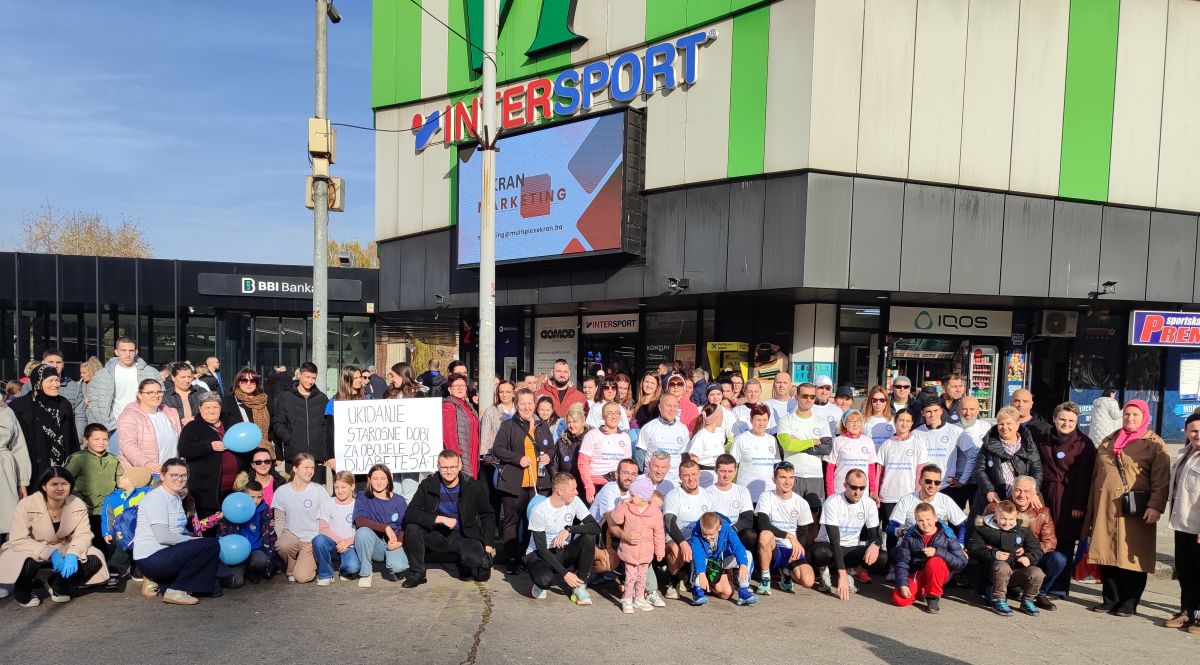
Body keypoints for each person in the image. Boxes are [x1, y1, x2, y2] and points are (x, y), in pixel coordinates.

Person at [1083, 399, 1170, 616]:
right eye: (1127, 414)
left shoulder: (1153, 443)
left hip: (1135, 510)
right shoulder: (1109, 440)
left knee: (1133, 556)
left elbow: (1161, 480)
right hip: (1106, 507)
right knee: (1107, 553)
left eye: (1135, 415)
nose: (1130, 418)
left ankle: (1129, 603)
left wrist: (1155, 506)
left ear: (1144, 417)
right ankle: (1110, 599)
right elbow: (1095, 475)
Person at [0, 467, 108, 606]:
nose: (60, 488)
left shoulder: (77, 503)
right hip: (29, 548)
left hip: (62, 546)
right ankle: (22, 589)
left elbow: (83, 534)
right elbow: (18, 539)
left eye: (65, 484)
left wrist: (73, 553)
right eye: (54, 484)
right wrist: (50, 553)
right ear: (44, 486)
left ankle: (58, 584)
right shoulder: (27, 504)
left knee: (95, 557)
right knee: (27, 563)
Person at [132, 458, 222, 605]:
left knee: (216, 588)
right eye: (174, 475)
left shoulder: (175, 497)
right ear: (162, 476)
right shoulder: (156, 498)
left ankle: (162, 582)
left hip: (168, 552)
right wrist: (192, 540)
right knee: (210, 545)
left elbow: (179, 531)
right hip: (152, 558)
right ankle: (176, 589)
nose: (179, 479)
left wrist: (192, 538)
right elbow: (163, 537)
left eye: (183, 475)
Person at [402, 450, 495, 588]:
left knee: (477, 564)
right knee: (412, 528)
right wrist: (439, 519)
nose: (449, 471)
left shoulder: (473, 486)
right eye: (445, 467)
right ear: (438, 467)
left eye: (453, 467)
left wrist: (488, 544)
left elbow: (487, 515)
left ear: (460, 466)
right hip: (436, 533)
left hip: (465, 535)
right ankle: (418, 572)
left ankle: (464, 565)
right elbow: (410, 513)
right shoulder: (428, 484)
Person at [1033, 401, 1096, 599]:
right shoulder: (1042, 438)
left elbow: (1085, 477)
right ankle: (1036, 583)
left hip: (1069, 500)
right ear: (1054, 418)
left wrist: (1079, 504)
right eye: (1062, 419)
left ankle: (1058, 588)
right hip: (1044, 496)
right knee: (1041, 539)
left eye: (1071, 421)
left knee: (1064, 543)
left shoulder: (1084, 444)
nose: (1066, 424)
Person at [492, 387, 556, 574]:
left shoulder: (542, 425)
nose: (527, 407)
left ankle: (528, 558)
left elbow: (551, 448)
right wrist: (517, 458)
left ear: (534, 404)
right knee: (511, 522)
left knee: (534, 522)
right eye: (523, 404)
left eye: (530, 403)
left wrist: (548, 456)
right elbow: (497, 449)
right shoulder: (508, 426)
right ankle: (512, 559)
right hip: (515, 483)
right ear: (516, 405)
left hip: (539, 483)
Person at [985, 476, 1063, 611]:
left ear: (1034, 493)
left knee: (1058, 559)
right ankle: (1002, 590)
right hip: (1002, 559)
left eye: (1026, 491)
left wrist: (1029, 554)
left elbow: (1050, 542)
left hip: (1030, 557)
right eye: (1018, 490)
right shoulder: (996, 508)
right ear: (1011, 491)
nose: (1021, 495)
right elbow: (984, 539)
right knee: (991, 599)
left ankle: (1038, 594)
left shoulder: (1043, 512)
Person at [809, 469, 889, 599]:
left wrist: (875, 544)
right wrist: (841, 577)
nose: (858, 492)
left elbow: (874, 535)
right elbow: (834, 540)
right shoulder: (832, 502)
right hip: (830, 546)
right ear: (845, 485)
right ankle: (825, 572)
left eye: (862, 488)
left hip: (851, 548)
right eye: (853, 487)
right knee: (819, 552)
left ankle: (850, 572)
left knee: (882, 557)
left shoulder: (869, 504)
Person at [525, 472, 600, 605]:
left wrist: (569, 529)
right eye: (573, 489)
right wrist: (565, 574)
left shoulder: (575, 501)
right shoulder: (539, 510)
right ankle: (539, 583)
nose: (576, 492)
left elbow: (596, 528)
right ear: (560, 491)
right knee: (545, 581)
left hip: (561, 550)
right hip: (539, 555)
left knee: (589, 536)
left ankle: (580, 585)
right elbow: (542, 549)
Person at [63, 424, 123, 580]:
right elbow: (65, 481)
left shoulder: (113, 460)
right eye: (96, 439)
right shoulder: (78, 459)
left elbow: (121, 482)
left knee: (109, 544)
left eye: (105, 439)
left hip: (107, 512)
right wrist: (79, 499)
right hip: (87, 513)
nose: (102, 442)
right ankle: (90, 575)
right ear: (86, 440)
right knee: (91, 545)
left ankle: (110, 573)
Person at [970, 499, 1046, 617]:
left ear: (1016, 516)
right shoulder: (983, 528)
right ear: (995, 516)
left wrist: (1029, 557)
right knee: (1002, 566)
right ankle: (999, 599)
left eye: (1011, 519)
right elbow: (974, 548)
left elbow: (1036, 548)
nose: (1007, 523)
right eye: (1003, 519)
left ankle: (1028, 600)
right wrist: (994, 554)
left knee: (1037, 573)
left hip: (1015, 570)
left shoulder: (1023, 529)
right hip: (992, 572)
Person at [178, 392, 247, 521]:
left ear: (220, 408)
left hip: (234, 486)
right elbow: (184, 450)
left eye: (215, 407)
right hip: (207, 490)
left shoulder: (230, 424)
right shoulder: (193, 427)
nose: (211, 411)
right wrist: (209, 446)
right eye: (207, 407)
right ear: (200, 409)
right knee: (210, 524)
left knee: (232, 523)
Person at [87, 337, 161, 455]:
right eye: (123, 350)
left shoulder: (151, 372)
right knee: (117, 461)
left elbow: (160, 397)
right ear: (116, 352)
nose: (128, 354)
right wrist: (108, 424)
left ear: (136, 352)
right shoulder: (102, 375)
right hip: (114, 427)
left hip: (145, 425)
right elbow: (94, 402)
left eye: (131, 350)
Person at [10, 364, 79, 488]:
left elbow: (72, 440)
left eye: (57, 380)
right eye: (50, 381)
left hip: (61, 470)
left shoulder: (64, 404)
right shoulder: (21, 406)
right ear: (38, 382)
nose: (55, 384)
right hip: (32, 471)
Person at [891, 502, 968, 613]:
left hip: (940, 572)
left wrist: (937, 552)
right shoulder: (910, 536)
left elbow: (961, 563)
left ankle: (933, 597)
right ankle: (922, 590)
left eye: (928, 519)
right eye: (920, 520)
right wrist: (903, 584)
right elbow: (902, 562)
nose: (925, 523)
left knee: (935, 561)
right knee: (899, 599)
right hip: (919, 572)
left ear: (936, 518)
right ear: (916, 521)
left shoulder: (948, 535)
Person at [753, 460, 816, 595]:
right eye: (783, 477)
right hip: (773, 548)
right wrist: (789, 536)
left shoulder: (801, 503)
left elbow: (803, 533)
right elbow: (763, 524)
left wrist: (797, 549)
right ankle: (765, 578)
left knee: (808, 581)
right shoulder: (766, 496)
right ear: (774, 480)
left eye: (791, 477)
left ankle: (786, 571)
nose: (788, 482)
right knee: (765, 534)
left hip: (792, 549)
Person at [776, 382, 833, 529]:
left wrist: (799, 444)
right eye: (804, 396)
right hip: (792, 475)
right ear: (797, 397)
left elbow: (827, 448)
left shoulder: (821, 422)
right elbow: (787, 445)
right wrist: (812, 441)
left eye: (812, 397)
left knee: (813, 519)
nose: (808, 400)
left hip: (815, 475)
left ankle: (809, 545)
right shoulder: (785, 420)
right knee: (791, 518)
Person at [1165, 412, 1200, 633]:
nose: (1198, 435)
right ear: (1186, 432)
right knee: (1186, 571)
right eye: (1193, 430)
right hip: (1182, 523)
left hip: (1198, 526)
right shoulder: (1185, 453)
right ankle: (1186, 611)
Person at [273, 453, 331, 584]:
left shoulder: (319, 490)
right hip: (291, 536)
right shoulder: (282, 491)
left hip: (311, 540)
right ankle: (290, 569)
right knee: (282, 545)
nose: (310, 471)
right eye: (306, 467)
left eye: (312, 468)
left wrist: (317, 542)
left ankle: (309, 562)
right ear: (294, 468)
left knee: (302, 577)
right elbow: (279, 521)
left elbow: (327, 518)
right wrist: (278, 541)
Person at [884, 465, 967, 557]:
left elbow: (962, 526)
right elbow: (890, 528)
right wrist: (902, 531)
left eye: (937, 482)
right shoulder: (906, 500)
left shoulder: (945, 500)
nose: (932, 485)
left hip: (937, 549)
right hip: (911, 548)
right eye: (928, 481)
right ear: (920, 481)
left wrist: (959, 547)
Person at [609, 476, 665, 613]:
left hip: (646, 551)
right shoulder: (628, 507)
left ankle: (639, 598)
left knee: (642, 577)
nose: (630, 497)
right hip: (630, 550)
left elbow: (659, 533)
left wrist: (660, 550)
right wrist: (622, 506)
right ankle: (627, 598)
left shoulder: (655, 513)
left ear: (643, 498)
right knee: (631, 577)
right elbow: (616, 519)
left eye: (633, 495)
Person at [271, 362, 331, 485]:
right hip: (294, 455)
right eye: (307, 377)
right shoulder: (285, 397)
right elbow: (278, 423)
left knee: (315, 492)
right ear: (299, 375)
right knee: (294, 491)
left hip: (316, 457)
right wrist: (290, 438)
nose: (310, 381)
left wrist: (325, 452)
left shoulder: (322, 398)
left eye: (313, 378)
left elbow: (326, 426)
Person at [974, 406, 1042, 514]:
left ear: (1017, 424)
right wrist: (989, 490)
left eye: (1009, 423)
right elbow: (979, 469)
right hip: (996, 498)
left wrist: (1034, 492)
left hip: (1022, 498)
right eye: (1001, 424)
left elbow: (1037, 470)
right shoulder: (988, 444)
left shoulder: (1029, 444)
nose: (1004, 427)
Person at [351, 464, 408, 586]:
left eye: (383, 478)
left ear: (389, 480)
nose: (379, 482)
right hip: (374, 545)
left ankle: (393, 565)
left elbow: (405, 525)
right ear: (369, 479)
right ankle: (366, 572)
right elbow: (359, 520)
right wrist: (385, 528)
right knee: (362, 532)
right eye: (375, 478)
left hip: (393, 543)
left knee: (398, 567)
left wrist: (400, 542)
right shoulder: (362, 496)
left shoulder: (399, 500)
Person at [687, 511, 757, 606]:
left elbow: (737, 546)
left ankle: (743, 591)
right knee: (695, 557)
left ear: (719, 528)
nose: (708, 538)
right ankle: (697, 591)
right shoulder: (697, 531)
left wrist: (743, 564)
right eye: (704, 534)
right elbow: (698, 553)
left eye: (711, 535)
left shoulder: (726, 528)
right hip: (705, 561)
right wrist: (701, 572)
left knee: (747, 555)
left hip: (720, 561)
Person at [877, 410, 927, 541]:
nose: (904, 424)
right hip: (888, 496)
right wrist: (876, 493)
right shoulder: (886, 444)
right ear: (895, 422)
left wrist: (919, 494)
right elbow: (879, 473)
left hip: (909, 495)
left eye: (908, 421)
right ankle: (888, 554)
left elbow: (920, 473)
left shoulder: (918, 444)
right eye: (901, 420)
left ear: (912, 423)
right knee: (890, 533)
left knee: (909, 533)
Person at [115, 378, 182, 476]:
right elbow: (127, 444)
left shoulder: (171, 413)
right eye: (150, 392)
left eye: (159, 392)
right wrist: (146, 463)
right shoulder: (129, 416)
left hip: (171, 473)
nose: (156, 395)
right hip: (145, 474)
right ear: (140, 395)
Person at [216, 480, 274, 587]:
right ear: (244, 496)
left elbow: (269, 534)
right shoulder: (234, 509)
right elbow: (223, 534)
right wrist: (224, 519)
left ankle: (252, 572)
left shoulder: (264, 511)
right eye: (252, 497)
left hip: (256, 549)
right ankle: (241, 571)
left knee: (261, 561)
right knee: (235, 583)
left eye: (259, 497)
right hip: (237, 552)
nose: (256, 501)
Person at [663, 459, 707, 599]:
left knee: (724, 591)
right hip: (677, 540)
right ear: (680, 476)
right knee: (675, 548)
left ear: (699, 474)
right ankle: (673, 582)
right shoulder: (673, 495)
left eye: (694, 474)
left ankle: (688, 575)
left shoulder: (707, 494)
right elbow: (669, 521)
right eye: (686, 475)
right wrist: (682, 542)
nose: (691, 478)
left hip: (699, 540)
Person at [17, 349, 87, 435]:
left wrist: (78, 439)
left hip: (65, 438)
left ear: (63, 364)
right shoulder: (29, 386)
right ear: (43, 363)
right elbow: (22, 414)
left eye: (58, 362)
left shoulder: (74, 387)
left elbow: (80, 417)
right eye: (51, 362)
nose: (55, 365)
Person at [578, 401, 632, 503]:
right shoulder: (592, 435)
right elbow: (583, 463)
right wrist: (589, 488)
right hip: (598, 484)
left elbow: (627, 465)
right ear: (603, 417)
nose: (614, 416)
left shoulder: (625, 437)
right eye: (610, 413)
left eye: (617, 413)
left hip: (618, 485)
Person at [220, 367, 274, 459]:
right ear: (238, 382)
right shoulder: (227, 401)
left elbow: (272, 428)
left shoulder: (265, 400)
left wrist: (279, 455)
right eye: (244, 380)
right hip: (236, 453)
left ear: (257, 383)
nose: (249, 384)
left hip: (261, 453)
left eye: (252, 381)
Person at [945, 396, 989, 508]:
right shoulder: (952, 429)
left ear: (978, 410)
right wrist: (961, 480)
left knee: (978, 515)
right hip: (957, 481)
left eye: (972, 409)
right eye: (964, 409)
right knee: (955, 515)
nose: (968, 413)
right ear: (958, 410)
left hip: (979, 481)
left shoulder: (986, 427)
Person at [729, 404, 779, 502]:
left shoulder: (772, 440)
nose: (761, 423)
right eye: (758, 420)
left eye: (764, 420)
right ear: (751, 420)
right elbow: (731, 467)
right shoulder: (740, 439)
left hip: (768, 495)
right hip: (746, 495)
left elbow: (776, 466)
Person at [826, 410, 879, 502]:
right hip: (840, 491)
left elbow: (871, 469)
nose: (855, 424)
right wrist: (830, 493)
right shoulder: (837, 441)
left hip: (862, 492)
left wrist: (873, 491)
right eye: (851, 421)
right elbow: (830, 469)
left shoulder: (868, 441)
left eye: (858, 421)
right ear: (845, 424)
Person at [914, 399, 968, 490]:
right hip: (924, 487)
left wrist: (963, 480)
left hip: (948, 486)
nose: (932, 415)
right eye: (928, 411)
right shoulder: (916, 433)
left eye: (936, 410)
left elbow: (973, 455)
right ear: (922, 413)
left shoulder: (955, 431)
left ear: (941, 411)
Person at [636, 394, 690, 481]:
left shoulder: (683, 429)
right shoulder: (648, 427)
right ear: (660, 407)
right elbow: (640, 453)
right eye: (668, 406)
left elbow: (684, 455)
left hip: (674, 480)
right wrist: (645, 473)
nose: (672, 409)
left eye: (675, 406)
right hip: (652, 479)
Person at [0, 399, 30, 544]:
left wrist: (22, 481)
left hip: (4, 473)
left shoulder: (6, 411)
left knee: (6, 523)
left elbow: (19, 447)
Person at [441, 373, 480, 478]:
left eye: (462, 385)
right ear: (450, 389)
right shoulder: (449, 405)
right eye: (456, 385)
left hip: (472, 453)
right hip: (461, 455)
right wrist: (455, 457)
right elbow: (448, 435)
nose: (460, 388)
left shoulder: (468, 406)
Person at [686, 403, 727, 487]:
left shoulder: (719, 435)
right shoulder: (700, 436)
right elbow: (694, 460)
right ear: (716, 417)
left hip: (718, 478)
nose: (723, 417)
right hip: (704, 479)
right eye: (721, 415)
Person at [480, 379, 516, 459]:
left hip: (517, 455)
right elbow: (485, 435)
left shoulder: (520, 410)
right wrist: (486, 455)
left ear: (513, 393)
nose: (504, 395)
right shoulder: (491, 410)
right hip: (496, 455)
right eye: (501, 392)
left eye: (508, 392)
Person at [553, 404, 587, 487]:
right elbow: (553, 465)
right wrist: (558, 483)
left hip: (585, 486)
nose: (571, 425)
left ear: (583, 422)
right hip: (566, 487)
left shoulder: (590, 440)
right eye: (568, 422)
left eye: (574, 422)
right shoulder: (561, 442)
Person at [162, 362, 202, 427]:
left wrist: (196, 419)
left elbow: (213, 413)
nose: (187, 380)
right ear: (173, 378)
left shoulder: (201, 392)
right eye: (183, 377)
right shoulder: (165, 397)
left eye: (189, 377)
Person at [863, 385, 894, 450]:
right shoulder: (863, 420)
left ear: (886, 402)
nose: (878, 403)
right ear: (870, 402)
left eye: (882, 400)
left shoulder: (892, 421)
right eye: (875, 400)